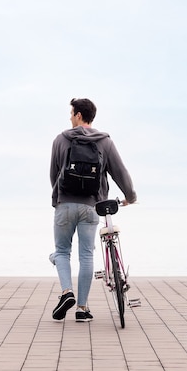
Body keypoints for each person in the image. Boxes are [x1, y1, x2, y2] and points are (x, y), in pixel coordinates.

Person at [49, 97, 137, 322]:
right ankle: (81, 308)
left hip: (65, 204)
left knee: (61, 252)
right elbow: (120, 172)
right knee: (86, 255)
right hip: (91, 206)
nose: (70, 117)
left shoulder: (60, 140)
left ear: (79, 115)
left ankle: (67, 292)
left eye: (71, 113)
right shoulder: (104, 141)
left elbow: (53, 174)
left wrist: (59, 198)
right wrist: (130, 197)